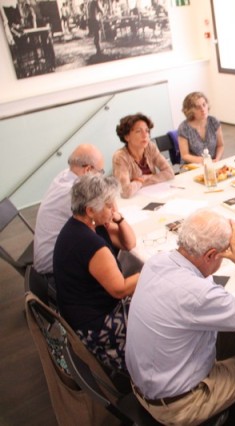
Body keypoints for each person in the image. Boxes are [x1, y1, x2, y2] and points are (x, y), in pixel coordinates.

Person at [126, 209, 235, 426]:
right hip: (179, 407)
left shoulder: (157, 261)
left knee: (228, 335)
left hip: (143, 387)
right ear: (210, 255)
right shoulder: (199, 295)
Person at [53, 174, 138, 372]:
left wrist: (118, 218)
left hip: (84, 313)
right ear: (90, 210)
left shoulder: (86, 226)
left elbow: (129, 243)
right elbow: (120, 289)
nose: (113, 209)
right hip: (96, 326)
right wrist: (150, 271)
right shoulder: (88, 243)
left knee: (154, 299)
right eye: (108, 205)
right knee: (160, 311)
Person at [34, 144, 104, 277]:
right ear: (88, 170)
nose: (101, 177)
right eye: (100, 172)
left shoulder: (64, 175)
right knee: (105, 241)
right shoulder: (73, 192)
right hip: (52, 265)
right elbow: (101, 219)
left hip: (47, 249)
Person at [112, 113, 174, 198]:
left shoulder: (150, 147)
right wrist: (146, 180)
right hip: (134, 201)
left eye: (147, 131)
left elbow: (169, 173)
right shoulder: (120, 157)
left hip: (155, 194)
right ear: (127, 137)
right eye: (138, 131)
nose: (145, 135)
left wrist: (142, 179)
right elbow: (125, 191)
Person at [177, 91, 225, 164]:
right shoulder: (184, 128)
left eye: (204, 105)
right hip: (192, 166)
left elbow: (220, 146)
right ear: (190, 111)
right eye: (197, 107)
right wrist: (204, 161)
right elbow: (185, 155)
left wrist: (217, 160)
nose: (203, 109)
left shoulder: (214, 121)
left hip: (212, 163)